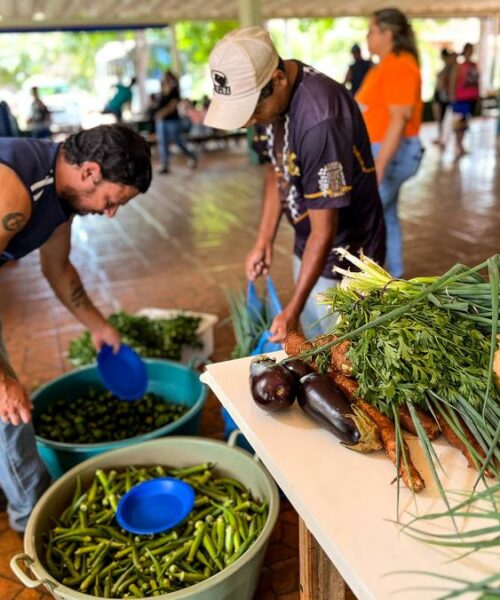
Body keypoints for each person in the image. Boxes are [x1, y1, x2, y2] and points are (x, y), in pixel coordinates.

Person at [0, 124, 152, 532]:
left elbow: (58, 267)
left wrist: (99, 327)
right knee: (10, 412)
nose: (110, 212)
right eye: (111, 200)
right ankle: (31, 520)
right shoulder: (13, 188)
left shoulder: (63, 197)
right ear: (89, 172)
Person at [204, 27, 385, 341]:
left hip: (346, 257)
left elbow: (325, 229)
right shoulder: (276, 100)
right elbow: (277, 171)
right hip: (312, 244)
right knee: (317, 338)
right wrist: (264, 240)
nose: (249, 122)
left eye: (253, 110)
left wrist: (293, 307)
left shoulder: (320, 120)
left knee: (342, 350)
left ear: (278, 79)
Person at [356, 8, 424, 279]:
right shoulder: (386, 64)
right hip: (382, 151)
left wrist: (379, 166)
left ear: (389, 34)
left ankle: (369, 283)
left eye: (371, 31)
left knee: (363, 218)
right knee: (387, 217)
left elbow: (398, 120)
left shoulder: (399, 64)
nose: (367, 36)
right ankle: (394, 278)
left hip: (390, 153)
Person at [155, 71, 197, 174]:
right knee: (163, 143)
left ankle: (191, 156)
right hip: (162, 122)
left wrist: (161, 113)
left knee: (178, 141)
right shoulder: (161, 91)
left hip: (173, 121)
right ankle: (165, 164)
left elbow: (173, 105)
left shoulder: (174, 91)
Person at [449, 43, 480, 158]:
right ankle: (458, 145)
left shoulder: (474, 65)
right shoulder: (459, 66)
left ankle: (461, 144)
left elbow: (477, 82)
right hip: (460, 98)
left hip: (471, 98)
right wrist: (452, 95)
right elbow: (453, 81)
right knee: (459, 123)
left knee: (465, 123)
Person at [432, 49, 455, 148]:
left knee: (445, 118)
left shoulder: (451, 68)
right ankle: (441, 136)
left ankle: (444, 138)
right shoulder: (445, 69)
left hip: (445, 96)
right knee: (439, 118)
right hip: (439, 95)